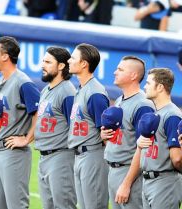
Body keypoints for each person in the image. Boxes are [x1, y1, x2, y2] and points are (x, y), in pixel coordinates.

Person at [0, 36, 40, 209]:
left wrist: (26, 139)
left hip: (14, 154)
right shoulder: (1, 80)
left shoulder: (23, 83)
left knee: (16, 205)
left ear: (5, 56)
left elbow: (39, 113)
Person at [101, 56, 155, 209]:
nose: (114, 72)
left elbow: (143, 148)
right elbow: (122, 138)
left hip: (130, 174)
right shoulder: (119, 100)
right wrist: (105, 136)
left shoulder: (143, 105)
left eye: (120, 69)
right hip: (114, 171)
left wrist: (126, 183)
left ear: (133, 75)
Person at [67, 43, 110, 209]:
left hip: (92, 156)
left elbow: (105, 133)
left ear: (84, 63)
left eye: (73, 58)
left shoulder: (95, 93)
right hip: (80, 157)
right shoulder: (82, 89)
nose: (69, 61)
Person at [34, 46, 77, 209]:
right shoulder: (46, 89)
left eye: (47, 62)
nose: (42, 65)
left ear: (60, 66)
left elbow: (74, 126)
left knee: (63, 206)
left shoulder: (67, 92)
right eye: (43, 61)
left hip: (61, 158)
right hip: (44, 157)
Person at [138, 68, 182, 209]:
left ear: (160, 87)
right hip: (149, 182)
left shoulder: (172, 115)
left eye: (148, 83)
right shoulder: (158, 112)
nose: (145, 86)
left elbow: (177, 158)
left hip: (165, 183)